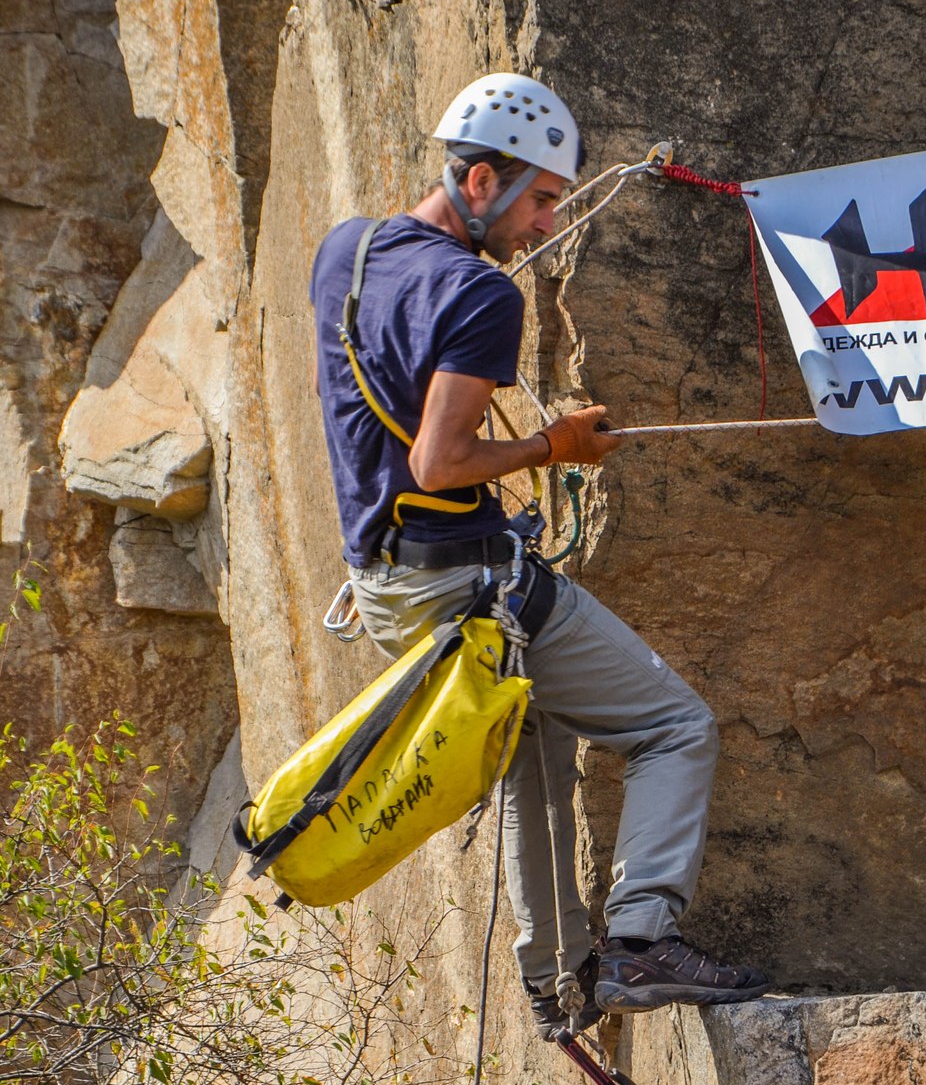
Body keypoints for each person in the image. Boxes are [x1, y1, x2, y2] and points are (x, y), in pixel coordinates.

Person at [310, 72, 769, 1036]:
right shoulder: (479, 294)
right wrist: (552, 447)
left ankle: (556, 976)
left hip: (387, 583)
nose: (544, 225)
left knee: (533, 753)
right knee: (674, 728)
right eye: (542, 200)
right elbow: (439, 461)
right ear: (479, 179)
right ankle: (641, 944)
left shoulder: (346, 251)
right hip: (460, 580)